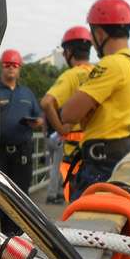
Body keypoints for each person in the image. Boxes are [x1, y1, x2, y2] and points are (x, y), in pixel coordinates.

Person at [61, 0, 130, 201]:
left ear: (100, 33)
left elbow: (68, 114)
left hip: (100, 166)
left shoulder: (111, 65)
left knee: (83, 231)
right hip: (123, 156)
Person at [40, 26, 94, 204]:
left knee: (77, 207)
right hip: (99, 153)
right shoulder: (99, 73)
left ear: (69, 52)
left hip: (74, 156)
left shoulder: (71, 76)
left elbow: (47, 103)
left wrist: (61, 129)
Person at [0, 49, 44, 237]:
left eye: (14, 66)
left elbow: (40, 116)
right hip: (0, 150)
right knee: (2, 193)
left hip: (22, 150)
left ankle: (19, 233)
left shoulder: (27, 93)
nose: (11, 69)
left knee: (21, 193)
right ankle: (6, 233)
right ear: (2, 67)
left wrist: (37, 122)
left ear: (19, 69)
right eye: (7, 65)